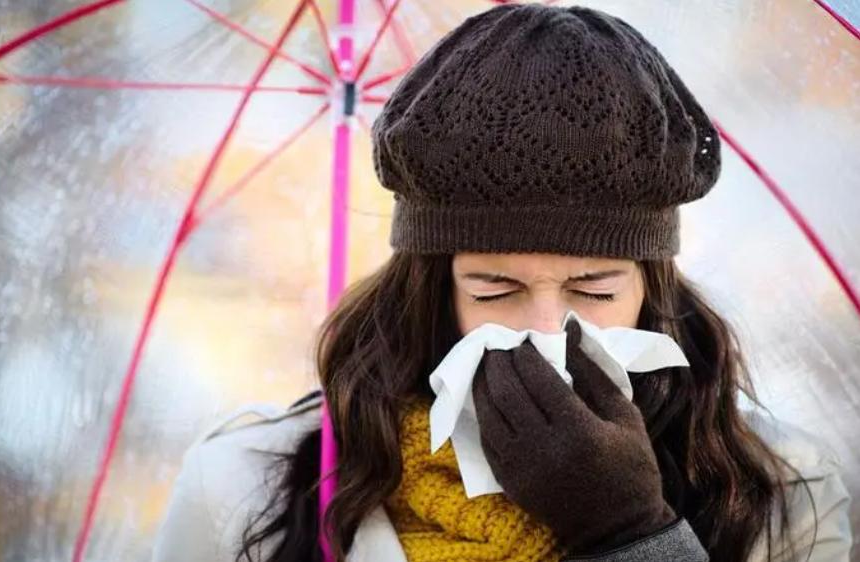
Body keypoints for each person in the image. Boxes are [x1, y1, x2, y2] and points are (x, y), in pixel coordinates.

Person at [151, 4, 852, 561]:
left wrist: (632, 536)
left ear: (651, 290)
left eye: (594, 289)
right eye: (492, 290)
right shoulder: (248, 487)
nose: (545, 329)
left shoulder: (782, 491)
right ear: (429, 293)